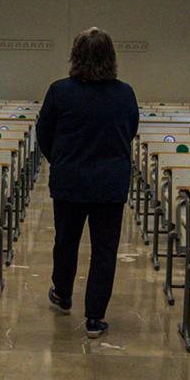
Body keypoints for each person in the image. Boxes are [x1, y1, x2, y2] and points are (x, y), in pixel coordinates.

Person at [36, 27, 139, 338]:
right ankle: (95, 317)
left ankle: (63, 292)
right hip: (110, 182)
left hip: (71, 179)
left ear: (75, 56)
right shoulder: (125, 93)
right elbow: (130, 130)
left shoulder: (60, 91)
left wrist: (64, 161)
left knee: (65, 241)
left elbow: (44, 135)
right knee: (105, 250)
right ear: (111, 58)